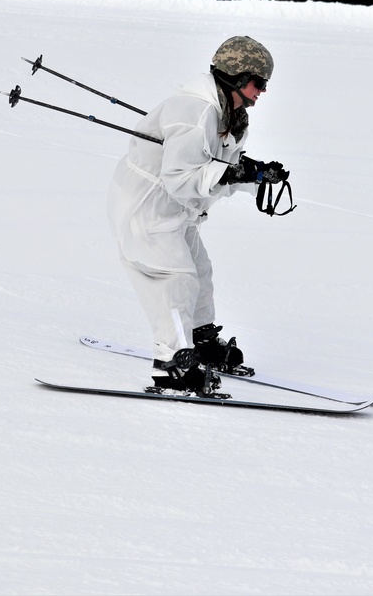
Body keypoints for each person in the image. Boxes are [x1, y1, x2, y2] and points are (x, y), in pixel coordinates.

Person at [107, 36, 289, 396]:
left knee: (200, 273)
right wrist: (233, 172)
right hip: (148, 208)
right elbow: (180, 179)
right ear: (237, 77)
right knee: (176, 279)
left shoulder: (230, 115)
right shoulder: (195, 113)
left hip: (179, 212)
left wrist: (253, 173)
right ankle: (172, 362)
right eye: (259, 82)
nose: (263, 91)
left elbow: (212, 168)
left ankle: (202, 340)